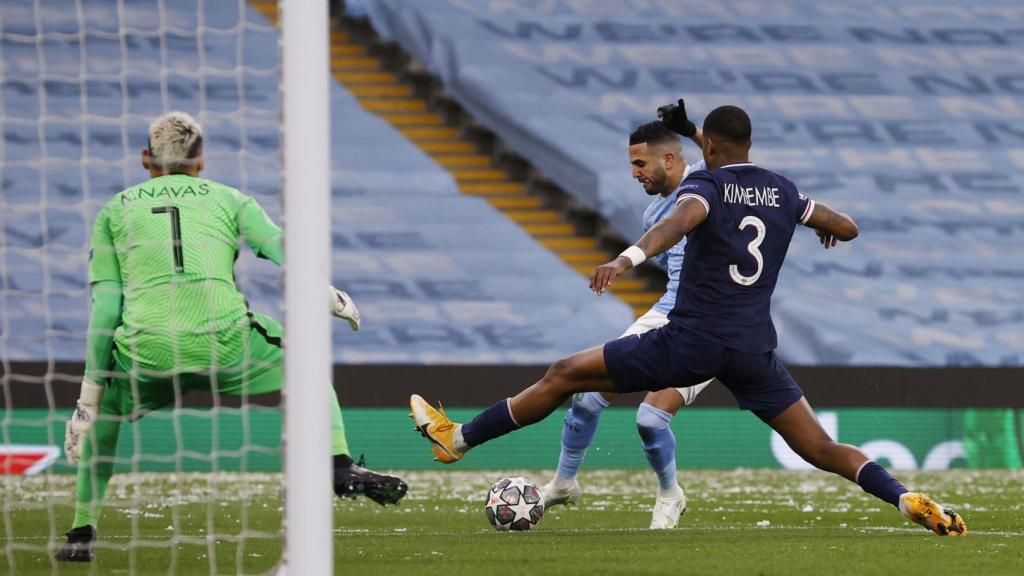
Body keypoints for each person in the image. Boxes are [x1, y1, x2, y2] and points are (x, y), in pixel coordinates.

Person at [410, 104, 967, 537]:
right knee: (820, 449)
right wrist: (826, 227)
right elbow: (846, 226)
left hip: (691, 344)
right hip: (752, 350)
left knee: (565, 375)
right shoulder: (782, 190)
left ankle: (456, 438)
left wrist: (624, 260)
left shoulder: (704, 186)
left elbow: (680, 222)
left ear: (709, 146)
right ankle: (904, 498)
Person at [56, 111, 407, 562]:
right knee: (305, 359)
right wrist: (325, 292)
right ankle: (339, 465)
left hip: (147, 351)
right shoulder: (229, 199)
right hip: (223, 339)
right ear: (201, 160)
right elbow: (286, 249)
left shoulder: (115, 209)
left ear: (145, 159)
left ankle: (81, 534)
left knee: (104, 417)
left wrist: (88, 400)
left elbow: (106, 310)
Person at [542, 117, 711, 531]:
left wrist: (691, 129)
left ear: (669, 159)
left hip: (710, 324)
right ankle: (563, 484)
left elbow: (727, 159)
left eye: (639, 164)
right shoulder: (655, 210)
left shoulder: (710, 181)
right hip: (664, 314)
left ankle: (670, 493)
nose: (634, 174)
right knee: (585, 396)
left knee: (650, 419)